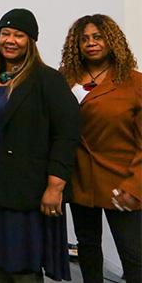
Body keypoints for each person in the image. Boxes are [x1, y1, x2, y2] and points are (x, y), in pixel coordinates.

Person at [0, 9, 80, 282]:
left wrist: (55, 185)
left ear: (31, 41)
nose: (10, 40)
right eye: (5, 33)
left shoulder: (47, 79)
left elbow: (66, 134)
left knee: (21, 258)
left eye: (19, 35)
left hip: (23, 183)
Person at [59, 14, 141, 283]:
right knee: (87, 247)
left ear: (112, 40)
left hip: (122, 182)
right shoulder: (64, 79)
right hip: (78, 179)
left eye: (97, 37)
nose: (90, 43)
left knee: (133, 256)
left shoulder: (134, 82)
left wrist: (135, 186)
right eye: (84, 39)